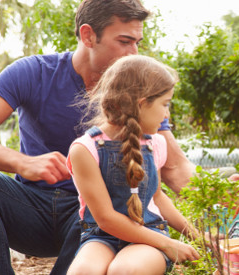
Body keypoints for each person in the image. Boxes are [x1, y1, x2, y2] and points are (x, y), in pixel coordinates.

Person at [0, 0, 239, 274]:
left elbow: (174, 169)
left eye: (137, 43)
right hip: (32, 209)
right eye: (124, 41)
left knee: (101, 217)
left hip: (94, 215)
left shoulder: (141, 93)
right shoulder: (33, 72)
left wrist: (221, 192)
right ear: (88, 35)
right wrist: (21, 162)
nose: (134, 53)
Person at [66, 55, 199, 274]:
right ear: (141, 103)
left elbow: (157, 197)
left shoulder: (154, 143)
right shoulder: (85, 149)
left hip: (149, 233)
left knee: (126, 270)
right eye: (165, 104)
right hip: (101, 236)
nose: (167, 114)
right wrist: (170, 244)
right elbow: (106, 219)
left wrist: (196, 236)